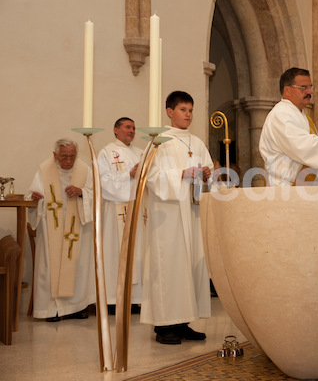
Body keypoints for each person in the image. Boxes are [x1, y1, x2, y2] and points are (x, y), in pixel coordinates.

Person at [144, 91, 214, 344]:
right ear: (169, 112)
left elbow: (210, 171)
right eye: (183, 109)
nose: (188, 115)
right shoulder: (157, 141)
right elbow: (150, 176)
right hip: (169, 215)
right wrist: (181, 174)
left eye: (191, 110)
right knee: (170, 266)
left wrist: (207, 174)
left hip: (192, 211)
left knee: (191, 265)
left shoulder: (196, 142)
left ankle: (184, 321)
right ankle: (164, 326)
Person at [25, 138, 95, 322]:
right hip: (51, 230)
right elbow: (30, 197)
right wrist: (34, 198)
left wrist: (81, 192)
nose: (69, 161)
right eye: (64, 157)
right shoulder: (44, 170)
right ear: (55, 155)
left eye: (72, 156)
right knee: (50, 267)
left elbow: (96, 195)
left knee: (77, 265)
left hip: (76, 228)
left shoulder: (84, 170)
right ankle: (50, 310)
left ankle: (75, 307)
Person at [259, 67, 318, 186]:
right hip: (284, 190)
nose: (310, 92)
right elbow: (303, 147)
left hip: (302, 189)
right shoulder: (280, 115)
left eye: (310, 87)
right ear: (287, 90)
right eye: (303, 88)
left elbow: (313, 150)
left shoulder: (304, 118)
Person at [97, 117, 144, 313]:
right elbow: (103, 181)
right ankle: (113, 301)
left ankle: (135, 300)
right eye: (127, 127)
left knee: (137, 251)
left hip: (137, 212)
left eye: (133, 127)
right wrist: (129, 176)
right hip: (115, 211)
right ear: (116, 130)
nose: (131, 130)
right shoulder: (106, 152)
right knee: (115, 254)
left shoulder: (141, 152)